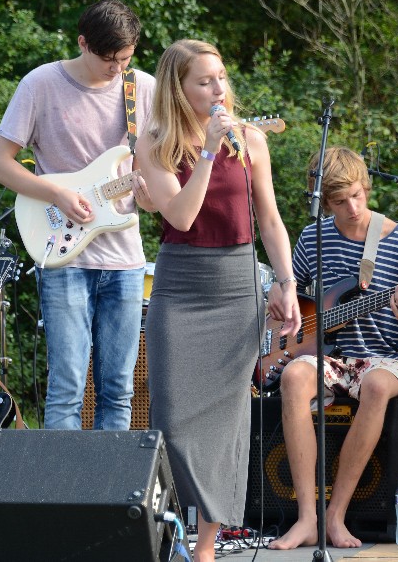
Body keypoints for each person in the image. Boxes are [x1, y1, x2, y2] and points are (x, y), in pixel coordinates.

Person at [135, 39, 301, 562]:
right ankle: (171, 534)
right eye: (204, 81)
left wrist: (287, 281)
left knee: (227, 427)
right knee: (173, 420)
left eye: (221, 78)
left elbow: (270, 220)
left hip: (235, 285)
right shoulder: (155, 143)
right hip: (182, 285)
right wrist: (207, 151)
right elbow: (181, 217)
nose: (218, 90)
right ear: (178, 90)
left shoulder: (250, 139)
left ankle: (205, 547)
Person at [0, 0, 155, 430]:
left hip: (126, 260)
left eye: (126, 59)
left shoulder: (143, 89)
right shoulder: (40, 84)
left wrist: (154, 187)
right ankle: (63, 497)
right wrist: (56, 192)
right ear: (82, 43)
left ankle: (112, 497)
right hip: (62, 254)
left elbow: (153, 187)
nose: (117, 68)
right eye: (108, 59)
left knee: (119, 391)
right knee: (67, 389)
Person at [267, 147, 398, 550]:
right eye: (340, 201)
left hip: (387, 359)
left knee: (378, 386)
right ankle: (307, 519)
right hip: (329, 355)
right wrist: (278, 293)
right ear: (325, 203)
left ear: (367, 188)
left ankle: (335, 515)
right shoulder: (314, 237)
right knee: (293, 376)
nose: (352, 207)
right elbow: (291, 291)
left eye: (357, 196)